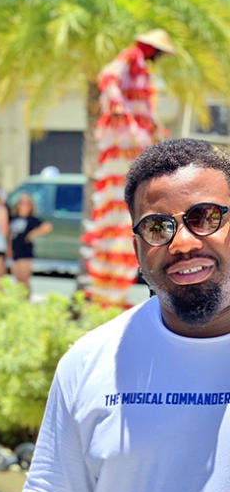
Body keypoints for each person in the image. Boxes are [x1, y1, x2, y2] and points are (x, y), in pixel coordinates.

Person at [21, 138, 230, 492]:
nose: (181, 243)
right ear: (137, 250)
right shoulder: (89, 362)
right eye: (157, 227)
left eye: (205, 217)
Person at [83, 29, 174, 307]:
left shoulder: (142, 70)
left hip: (135, 138)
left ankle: (113, 292)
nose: (159, 56)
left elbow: (144, 107)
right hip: (125, 138)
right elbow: (109, 78)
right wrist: (118, 108)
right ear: (149, 48)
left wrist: (155, 127)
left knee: (124, 210)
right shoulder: (130, 58)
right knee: (119, 204)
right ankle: (107, 293)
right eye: (158, 51)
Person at [9, 193, 52, 297]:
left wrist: (32, 234)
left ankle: (26, 303)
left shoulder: (32, 219)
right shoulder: (13, 218)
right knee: (17, 280)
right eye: (21, 202)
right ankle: (19, 301)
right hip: (15, 252)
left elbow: (47, 227)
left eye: (27, 203)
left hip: (26, 252)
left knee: (24, 280)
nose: (24, 205)